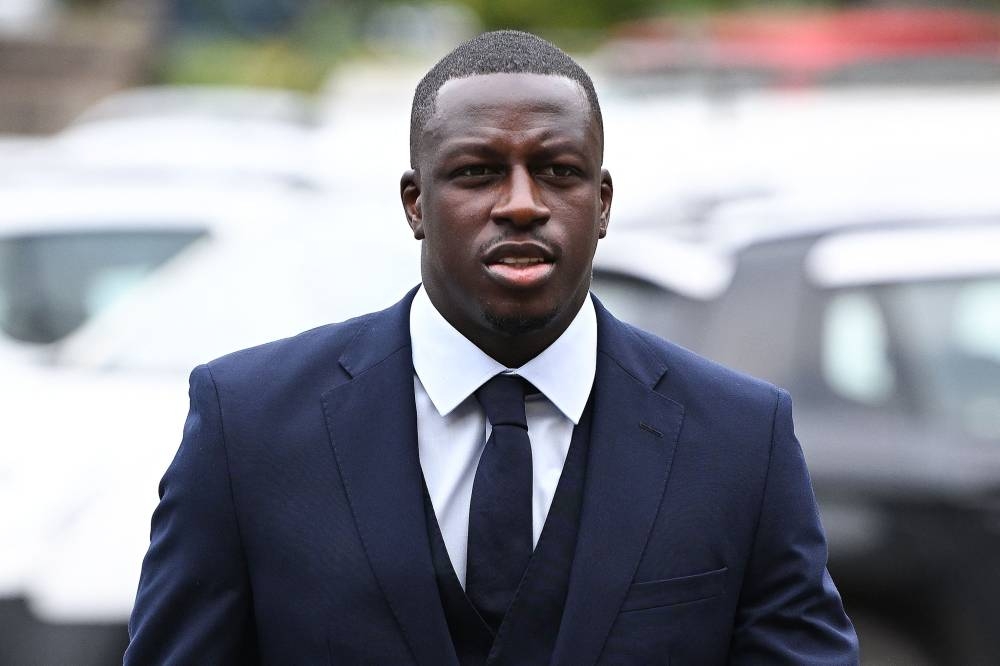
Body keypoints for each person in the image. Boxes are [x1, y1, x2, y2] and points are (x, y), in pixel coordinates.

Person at [126, 30, 858, 665]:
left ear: (601, 204)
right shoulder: (248, 425)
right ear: (416, 203)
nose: (520, 203)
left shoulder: (736, 437)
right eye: (478, 172)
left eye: (558, 171)